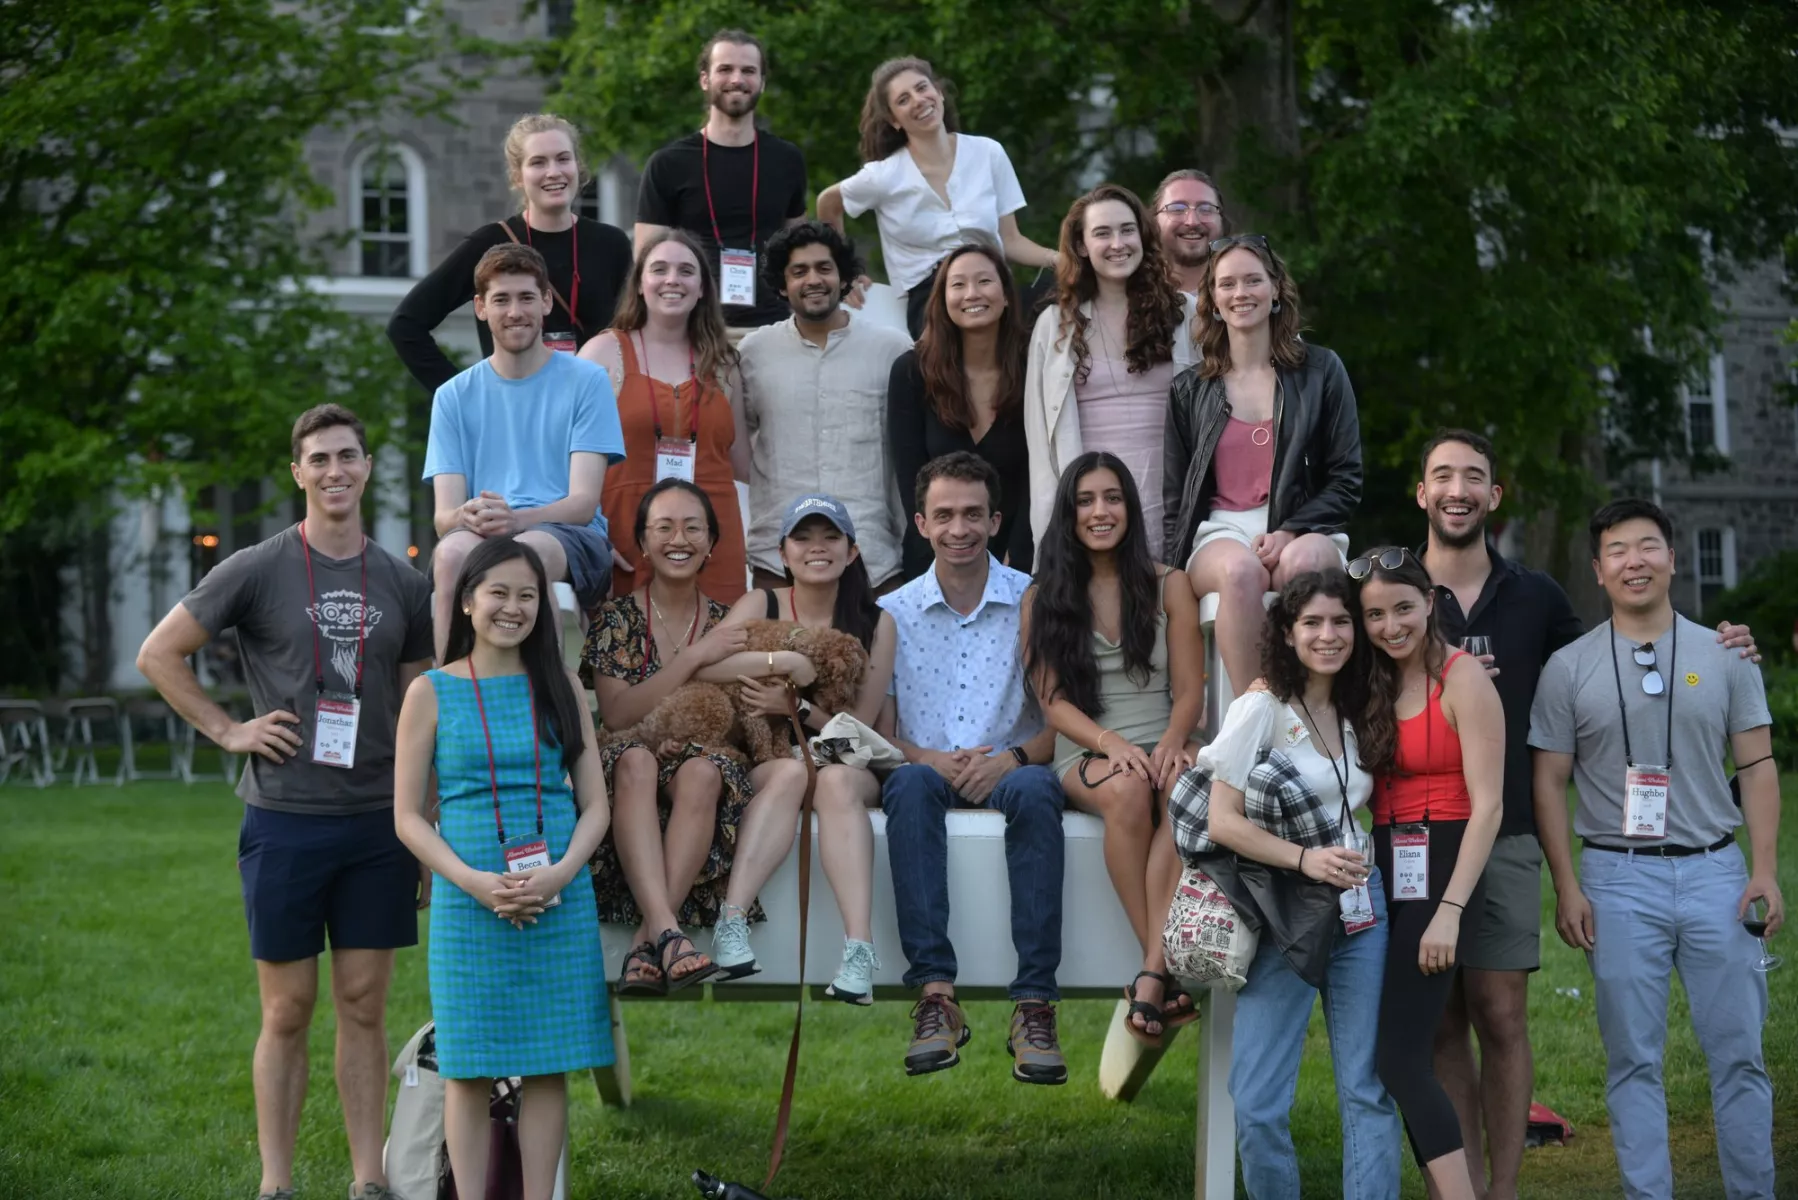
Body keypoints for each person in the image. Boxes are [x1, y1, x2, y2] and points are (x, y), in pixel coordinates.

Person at [1415, 428, 1760, 1200]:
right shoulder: (1393, 588)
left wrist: (1723, 645)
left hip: (1503, 835)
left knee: (1500, 1014)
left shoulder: (1536, 597)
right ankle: (1456, 1189)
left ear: (1494, 496)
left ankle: (1501, 1188)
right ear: (1422, 493)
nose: (1458, 489)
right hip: (1412, 831)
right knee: (1440, 1025)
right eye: (1442, 476)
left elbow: (1623, 655)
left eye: (1474, 476)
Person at [136, 404, 434, 1200]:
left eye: (348, 456)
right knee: (289, 1009)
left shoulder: (405, 580)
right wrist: (226, 729)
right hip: (285, 818)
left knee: (365, 1004)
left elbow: (421, 713)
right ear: (297, 473)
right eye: (319, 459)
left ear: (368, 467)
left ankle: (369, 1180)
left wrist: (428, 827)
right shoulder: (255, 567)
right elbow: (158, 653)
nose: (335, 471)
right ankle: (276, 1184)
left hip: (378, 822)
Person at [1532, 498, 1782, 1200]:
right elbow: (1548, 783)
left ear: (1673, 559)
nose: (1634, 561)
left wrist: (1764, 869)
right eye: (1618, 550)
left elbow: (1759, 769)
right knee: (1633, 1061)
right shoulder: (1568, 668)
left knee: (1739, 1057)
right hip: (1617, 878)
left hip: (1716, 872)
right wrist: (1569, 886)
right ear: (1598, 568)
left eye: (1648, 546)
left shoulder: (1725, 655)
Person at [391, 537, 612, 1200]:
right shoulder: (430, 691)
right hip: (469, 902)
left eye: (527, 595)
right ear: (466, 602)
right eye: (498, 593)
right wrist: (475, 883)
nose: (513, 608)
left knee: (550, 1067)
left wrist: (561, 873)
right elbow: (406, 816)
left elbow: (596, 804)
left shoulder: (562, 684)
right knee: (468, 1067)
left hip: (557, 897)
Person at [1183, 569, 1401, 1200]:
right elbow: (1221, 821)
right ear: (1286, 631)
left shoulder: (1360, 703)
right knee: (1255, 1101)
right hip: (1285, 914)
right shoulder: (1261, 707)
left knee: (1366, 1089)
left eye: (1340, 621)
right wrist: (1305, 863)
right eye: (1312, 622)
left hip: (1362, 912)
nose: (1328, 635)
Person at [879, 451, 1067, 1084]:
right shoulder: (894, 612)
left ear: (995, 520)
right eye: (944, 515)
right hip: (923, 770)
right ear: (920, 523)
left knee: (1041, 789)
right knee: (906, 784)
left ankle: (1034, 1005)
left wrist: (1011, 759)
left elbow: (1058, 720)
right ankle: (935, 997)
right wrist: (927, 757)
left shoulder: (1030, 601)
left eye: (971, 515)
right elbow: (882, 732)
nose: (958, 528)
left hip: (1013, 769)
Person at [581, 480, 812, 993]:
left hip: (700, 756)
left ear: (712, 542)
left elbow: (740, 707)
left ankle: (647, 941)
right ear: (642, 541)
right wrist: (694, 659)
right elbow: (618, 715)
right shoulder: (616, 619)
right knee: (636, 760)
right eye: (663, 527)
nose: (678, 538)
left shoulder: (729, 623)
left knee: (706, 770)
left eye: (692, 527)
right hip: (627, 756)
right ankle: (668, 929)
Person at [1021, 453, 1203, 1043]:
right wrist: (1111, 743)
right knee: (1127, 791)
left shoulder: (1169, 583)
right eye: (1086, 500)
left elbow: (1190, 689)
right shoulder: (1044, 595)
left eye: (1113, 498)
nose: (1101, 512)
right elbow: (1052, 703)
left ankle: (1152, 974)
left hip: (1167, 737)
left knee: (1188, 790)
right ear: (1069, 514)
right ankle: (1162, 967)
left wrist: (1174, 740)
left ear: (1130, 507)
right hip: (1091, 750)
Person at [1349, 546, 1504, 1200]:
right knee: (1399, 1054)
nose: (1391, 626)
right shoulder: (1371, 680)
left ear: (1431, 603)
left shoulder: (1462, 677)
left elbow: (1489, 803)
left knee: (1398, 1058)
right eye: (1376, 615)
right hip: (1385, 865)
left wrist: (1450, 910)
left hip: (1442, 864)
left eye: (1403, 608)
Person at [708, 494, 899, 1000]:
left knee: (832, 780)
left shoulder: (877, 623)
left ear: (852, 552)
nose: (817, 548)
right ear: (783, 553)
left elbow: (858, 726)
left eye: (830, 537)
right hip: (769, 759)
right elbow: (704, 665)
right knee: (793, 773)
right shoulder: (760, 604)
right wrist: (785, 662)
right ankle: (732, 922)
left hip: (844, 757)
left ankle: (859, 952)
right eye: (804, 538)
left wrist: (797, 708)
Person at [1165, 233, 1360, 694]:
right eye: (1227, 284)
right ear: (1212, 299)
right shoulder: (1190, 389)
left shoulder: (1322, 371)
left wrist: (1291, 530)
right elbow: (1175, 497)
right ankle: (1256, 714)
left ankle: (1312, 710)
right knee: (1240, 572)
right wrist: (1167, 571)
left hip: (1303, 525)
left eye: (1253, 281)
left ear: (1275, 290)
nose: (1241, 293)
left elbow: (1346, 480)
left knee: (1308, 560)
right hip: (1221, 533)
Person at [424, 243, 626, 660]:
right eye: (501, 299)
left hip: (570, 537)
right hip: (484, 533)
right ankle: (449, 695)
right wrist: (466, 515)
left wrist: (516, 519)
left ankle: (545, 702)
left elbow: (583, 504)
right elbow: (444, 518)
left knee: (525, 555)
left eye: (526, 298)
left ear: (547, 302)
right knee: (449, 556)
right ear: (480, 308)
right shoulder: (452, 396)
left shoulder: (587, 381)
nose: (514, 311)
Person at [387, 113, 633, 392]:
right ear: (518, 176)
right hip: (516, 410)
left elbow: (637, 334)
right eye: (538, 162)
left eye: (563, 159)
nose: (554, 172)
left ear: (578, 166)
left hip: (592, 408)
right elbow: (405, 325)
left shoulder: (611, 244)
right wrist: (465, 397)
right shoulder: (490, 243)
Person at [817, 56, 1059, 337]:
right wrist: (842, 271)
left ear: (939, 93)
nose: (918, 100)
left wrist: (1061, 260)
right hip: (931, 304)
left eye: (922, 88)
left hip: (992, 289)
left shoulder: (988, 152)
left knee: (1071, 287)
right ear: (894, 119)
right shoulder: (882, 176)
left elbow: (1011, 241)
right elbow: (827, 203)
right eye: (904, 99)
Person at [737, 222, 912, 592]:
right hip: (777, 561)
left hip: (873, 561)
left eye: (824, 268)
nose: (813, 279)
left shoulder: (893, 350)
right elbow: (733, 446)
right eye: (799, 271)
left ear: (844, 277)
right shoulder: (753, 353)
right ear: (783, 285)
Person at [578, 229, 749, 603]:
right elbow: (564, 460)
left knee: (720, 653)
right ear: (640, 284)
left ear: (703, 287)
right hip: (626, 536)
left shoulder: (723, 363)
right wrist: (591, 538)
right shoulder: (602, 354)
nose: (672, 280)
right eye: (659, 269)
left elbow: (743, 463)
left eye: (686, 271)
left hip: (713, 539)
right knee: (631, 654)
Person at [1024, 183, 1192, 564]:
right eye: (1102, 233)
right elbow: (1041, 442)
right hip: (1094, 507)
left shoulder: (1186, 315)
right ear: (1081, 246)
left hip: (1172, 495)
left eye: (1127, 229)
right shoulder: (1055, 325)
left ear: (1143, 236)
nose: (1118, 243)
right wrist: (1049, 533)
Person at [635, 29, 809, 331]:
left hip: (773, 329)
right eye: (725, 69)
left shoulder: (787, 160)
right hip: (692, 329)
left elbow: (801, 248)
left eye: (748, 71)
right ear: (705, 79)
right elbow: (647, 263)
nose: (737, 79)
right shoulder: (668, 164)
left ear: (762, 83)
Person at [887, 240, 1034, 579]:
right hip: (935, 558)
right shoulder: (911, 373)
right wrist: (939, 562)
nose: (972, 294)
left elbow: (1037, 474)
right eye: (958, 284)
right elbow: (911, 483)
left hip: (1018, 558)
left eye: (984, 281)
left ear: (1007, 294)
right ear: (943, 299)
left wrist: (1021, 554)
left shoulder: (1034, 368)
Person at [1150, 168, 1226, 296]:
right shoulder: (1130, 293)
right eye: (1177, 209)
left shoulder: (1244, 294)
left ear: (1221, 220)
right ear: (1154, 220)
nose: (1192, 222)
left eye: (1206, 209)